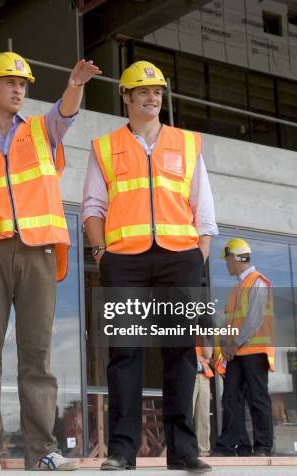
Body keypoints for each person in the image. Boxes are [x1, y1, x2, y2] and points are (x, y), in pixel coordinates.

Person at [0, 51, 101, 471]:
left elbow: (65, 114)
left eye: (23, 84)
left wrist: (74, 84)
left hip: (38, 250)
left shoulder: (42, 131)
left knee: (36, 354)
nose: (19, 89)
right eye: (10, 82)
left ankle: (42, 451)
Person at [82, 60, 218, 473]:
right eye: (143, 91)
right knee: (125, 353)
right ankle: (122, 450)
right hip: (123, 261)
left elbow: (204, 208)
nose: (152, 96)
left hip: (180, 258)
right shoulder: (105, 147)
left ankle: (183, 450)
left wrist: (198, 256)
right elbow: (92, 206)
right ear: (125, 97)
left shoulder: (186, 143)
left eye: (157, 90)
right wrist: (101, 253)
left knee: (181, 353)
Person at [212, 238, 274, 457]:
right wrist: (223, 343)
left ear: (235, 258)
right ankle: (227, 446)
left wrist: (233, 343)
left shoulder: (258, 282)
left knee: (257, 399)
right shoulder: (237, 288)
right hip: (236, 353)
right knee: (230, 399)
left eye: (227, 260)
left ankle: (263, 448)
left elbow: (254, 319)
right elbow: (230, 321)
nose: (226, 264)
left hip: (254, 352)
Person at [193, 345, 213, 457]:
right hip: (188, 375)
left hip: (204, 375)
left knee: (204, 417)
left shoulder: (203, 332)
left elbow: (208, 354)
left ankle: (203, 451)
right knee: (186, 415)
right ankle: (185, 450)